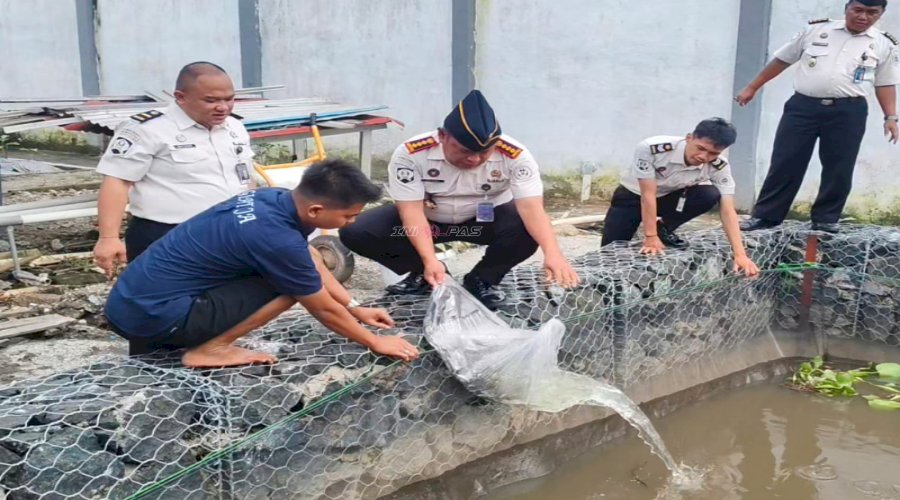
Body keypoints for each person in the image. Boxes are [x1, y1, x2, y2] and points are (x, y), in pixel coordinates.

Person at [103, 159, 420, 368]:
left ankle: (197, 340)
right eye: (348, 215)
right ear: (316, 210)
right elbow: (321, 307)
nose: (351, 222)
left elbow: (306, 256)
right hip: (153, 316)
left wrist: (354, 306)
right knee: (291, 287)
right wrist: (374, 341)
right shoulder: (275, 237)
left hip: (129, 302)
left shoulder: (271, 199)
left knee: (298, 268)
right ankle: (212, 349)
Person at [339, 89, 579, 309]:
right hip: (429, 224)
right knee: (357, 230)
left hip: (481, 223)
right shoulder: (412, 153)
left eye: (484, 152)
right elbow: (411, 211)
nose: (474, 160)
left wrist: (553, 254)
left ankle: (483, 280)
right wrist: (429, 260)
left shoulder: (515, 155)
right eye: (465, 151)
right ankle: (426, 274)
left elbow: (532, 209)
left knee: (525, 228)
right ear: (442, 136)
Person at [736, 0, 900, 234]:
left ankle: (826, 218)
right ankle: (766, 215)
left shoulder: (884, 44)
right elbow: (782, 60)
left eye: (872, 12)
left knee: (839, 165)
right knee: (786, 159)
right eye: (858, 10)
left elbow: (885, 83)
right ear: (847, 8)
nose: (863, 16)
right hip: (803, 107)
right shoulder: (817, 31)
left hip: (848, 111)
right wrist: (752, 87)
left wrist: (890, 117)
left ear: (881, 14)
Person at [93, 61, 254, 277]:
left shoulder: (235, 127)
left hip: (229, 231)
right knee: (164, 303)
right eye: (211, 100)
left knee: (227, 302)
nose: (223, 107)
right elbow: (118, 181)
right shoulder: (147, 129)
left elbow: (245, 178)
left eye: (229, 99)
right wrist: (109, 239)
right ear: (180, 97)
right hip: (167, 234)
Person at [601, 118, 760, 276]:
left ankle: (663, 228)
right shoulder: (652, 148)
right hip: (632, 197)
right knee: (610, 251)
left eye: (713, 153)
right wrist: (650, 236)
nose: (704, 157)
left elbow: (728, 210)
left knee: (709, 194)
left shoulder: (719, 166)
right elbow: (647, 195)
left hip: (670, 197)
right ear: (689, 137)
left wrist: (740, 255)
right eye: (700, 148)